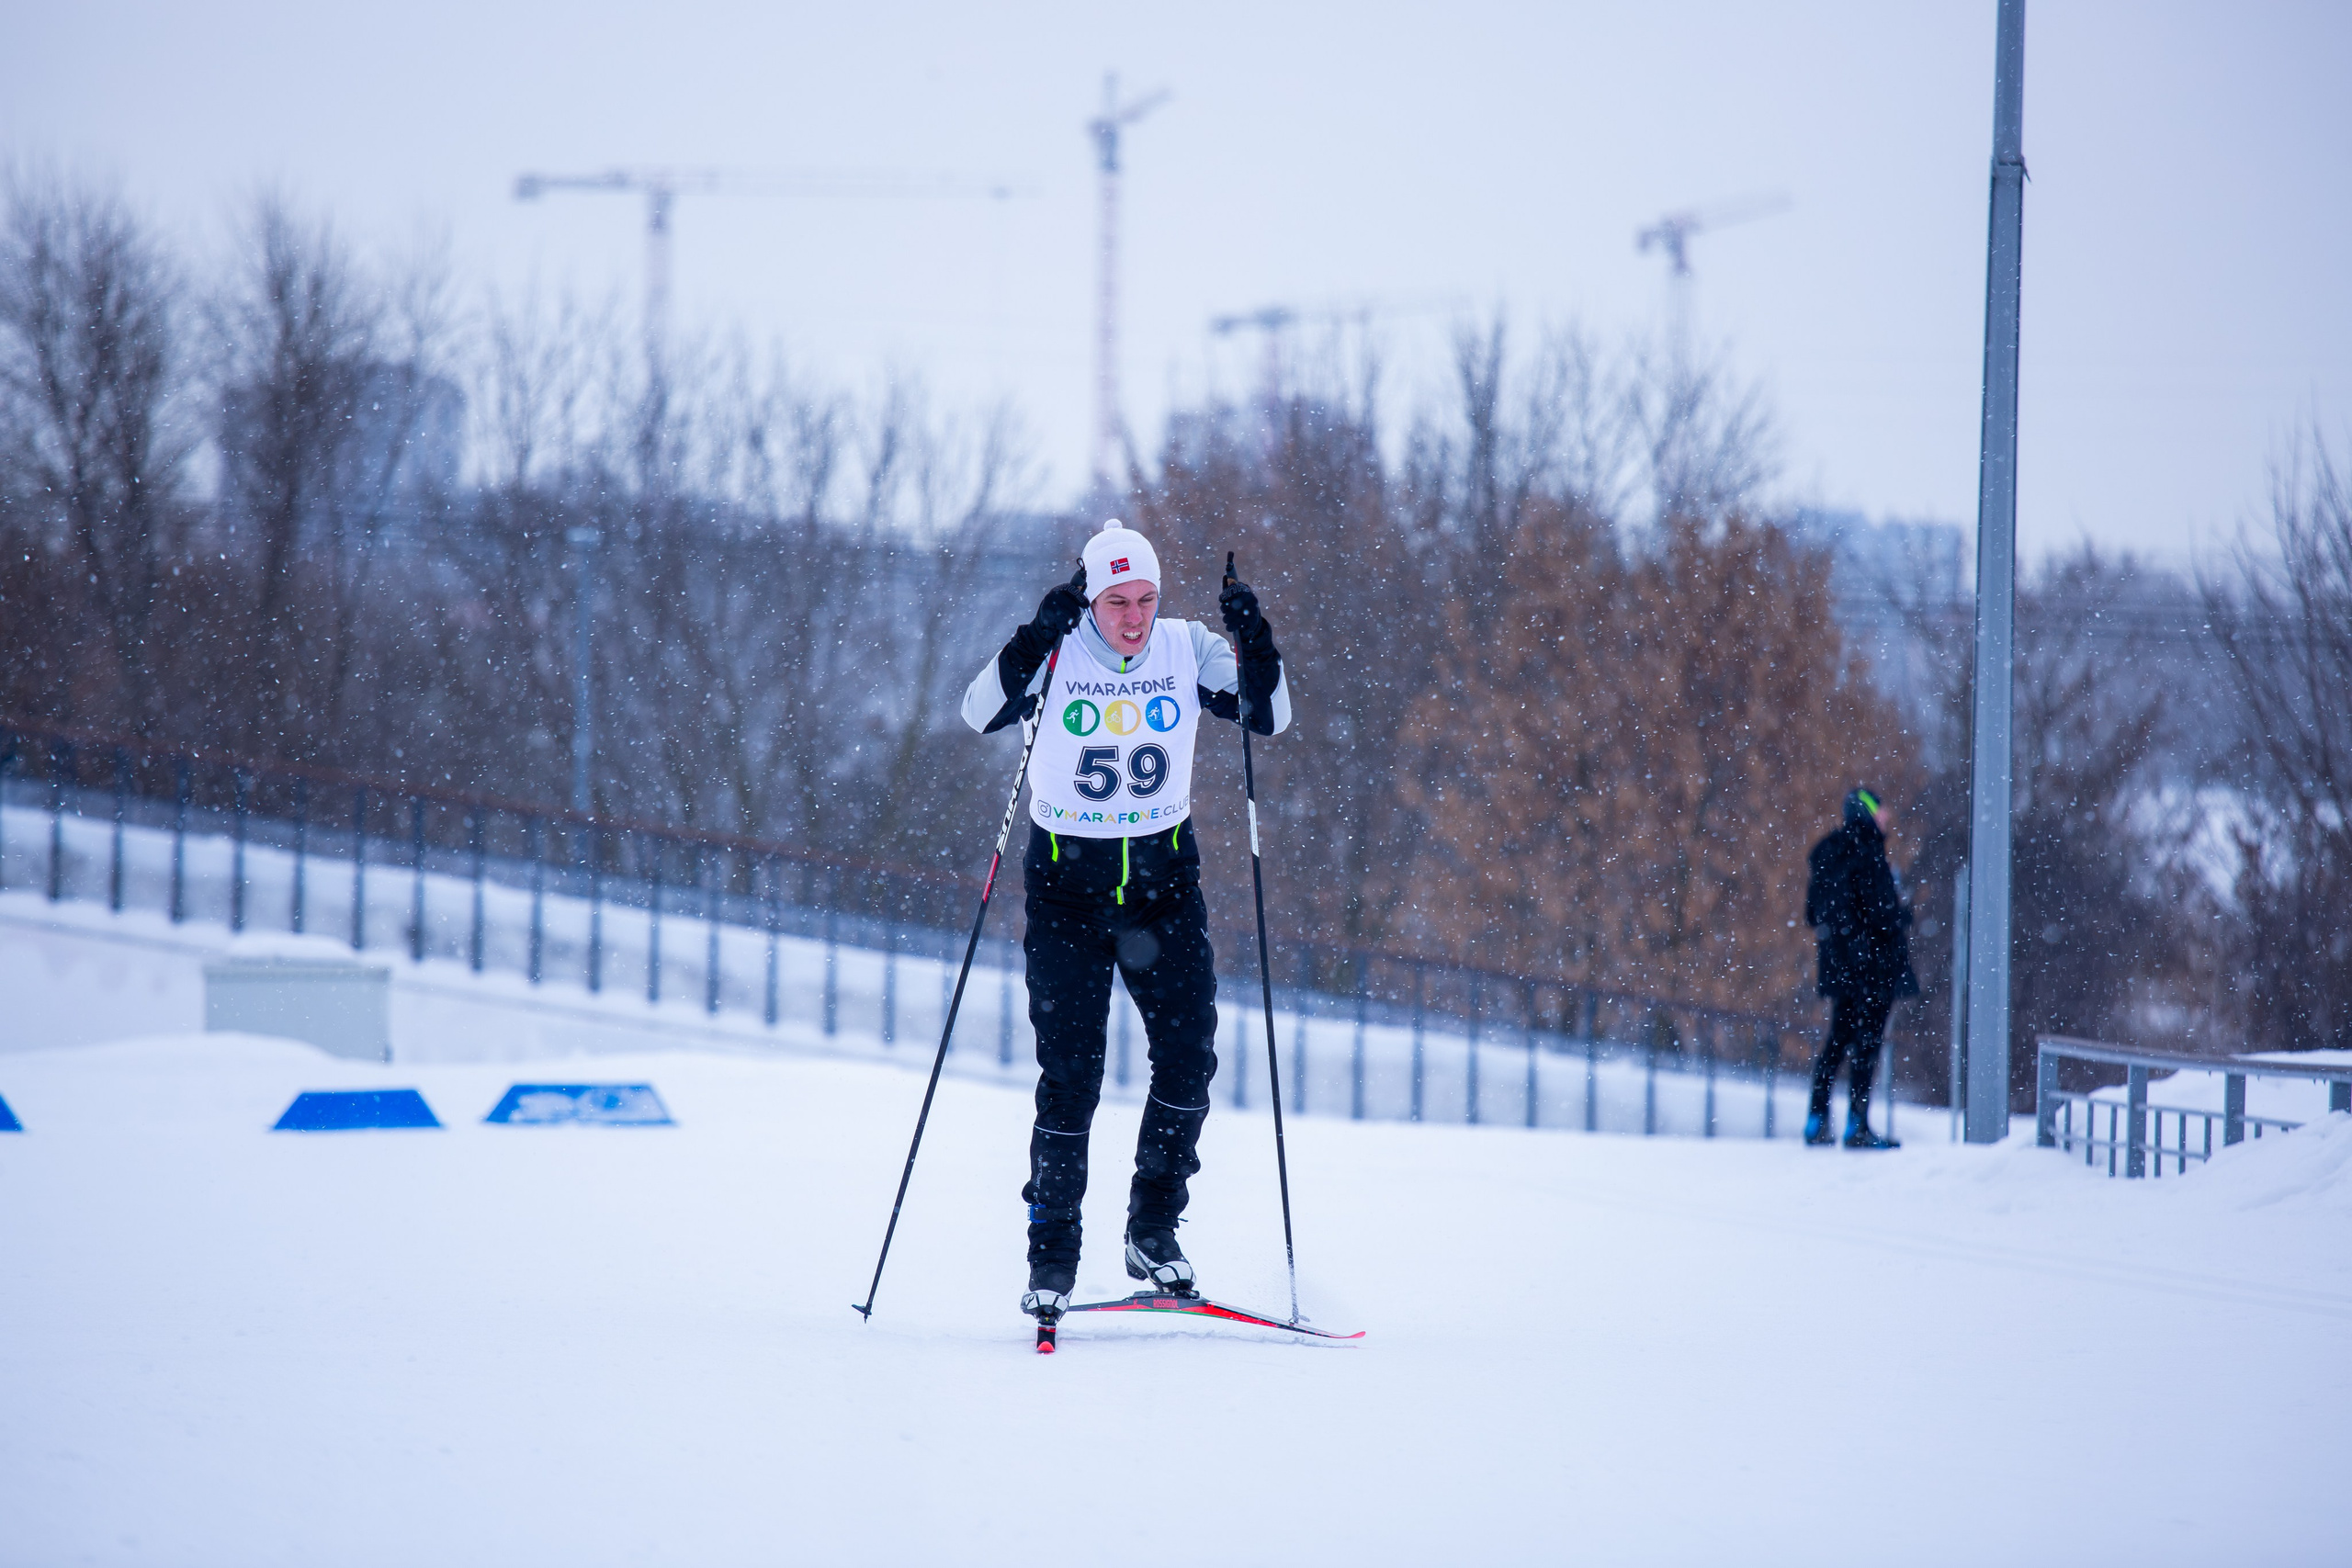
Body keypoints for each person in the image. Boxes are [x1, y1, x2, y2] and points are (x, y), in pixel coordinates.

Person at [960, 519, 1290, 1323]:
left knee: (1188, 1057)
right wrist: (1035, 634)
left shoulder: (1185, 647)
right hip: (1066, 892)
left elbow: (1269, 714)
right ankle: (1052, 1254)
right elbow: (978, 711)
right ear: (1090, 600)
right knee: (1071, 1077)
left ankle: (1152, 1229)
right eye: (1117, 601)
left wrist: (1255, 638)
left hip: (1162, 885)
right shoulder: (1057, 652)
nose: (1135, 617)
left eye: (1146, 598)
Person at [1802, 786, 1918, 1150]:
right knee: (1867, 1045)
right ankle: (1857, 1125)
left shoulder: (1828, 855)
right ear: (1866, 813)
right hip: (1873, 968)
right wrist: (1902, 912)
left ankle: (1816, 1119)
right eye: (1880, 812)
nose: (1886, 818)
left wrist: (1842, 941)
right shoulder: (1869, 854)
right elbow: (1881, 914)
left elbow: (1813, 914)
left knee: (1836, 1041)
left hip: (1840, 969)